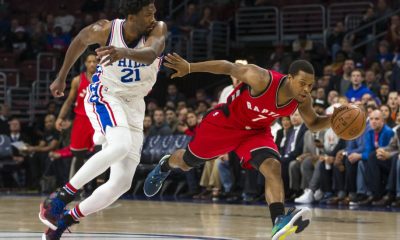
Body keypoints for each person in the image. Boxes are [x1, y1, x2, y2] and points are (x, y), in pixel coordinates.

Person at [144, 52, 337, 240]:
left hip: (255, 133)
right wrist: (189, 67)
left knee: (273, 166)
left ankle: (278, 219)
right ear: (289, 78)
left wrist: (334, 119)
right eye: (302, 83)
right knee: (187, 162)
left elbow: (313, 123)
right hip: (226, 124)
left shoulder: (302, 100)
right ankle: (165, 165)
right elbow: (227, 66)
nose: (306, 89)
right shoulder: (262, 79)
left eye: (310, 86)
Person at [39, 1, 167, 239]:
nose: (154, 16)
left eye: (154, 12)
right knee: (119, 146)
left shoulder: (158, 28)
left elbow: (150, 55)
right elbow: (79, 40)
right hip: (107, 94)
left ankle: (64, 221)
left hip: (135, 104)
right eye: (148, 13)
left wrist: (124, 52)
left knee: (122, 183)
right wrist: (61, 76)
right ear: (131, 15)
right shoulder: (105, 30)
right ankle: (59, 197)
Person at [55, 52, 97, 179]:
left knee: (100, 153)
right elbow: (69, 101)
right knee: (78, 154)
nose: (92, 64)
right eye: (89, 61)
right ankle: (74, 187)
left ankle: (98, 187)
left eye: (94, 61)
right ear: (85, 64)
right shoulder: (77, 80)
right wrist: (60, 118)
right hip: (81, 120)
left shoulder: (104, 80)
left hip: (97, 121)